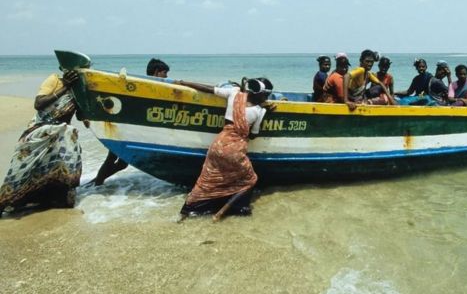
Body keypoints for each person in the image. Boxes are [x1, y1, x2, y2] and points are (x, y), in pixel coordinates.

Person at [177, 77, 273, 219]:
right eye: (266, 95)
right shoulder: (260, 111)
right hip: (235, 151)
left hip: (217, 145)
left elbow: (209, 89)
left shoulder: (234, 93)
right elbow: (253, 136)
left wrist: (184, 83)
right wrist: (266, 111)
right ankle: (229, 211)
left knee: (208, 179)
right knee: (250, 180)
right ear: (261, 95)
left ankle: (189, 209)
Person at [1, 68, 89, 215]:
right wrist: (65, 87)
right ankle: (9, 201)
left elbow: (83, 117)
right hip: (42, 131)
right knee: (22, 168)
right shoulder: (54, 80)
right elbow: (39, 104)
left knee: (65, 167)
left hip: (62, 135)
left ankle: (51, 200)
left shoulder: (80, 90)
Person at [91, 58, 171, 186]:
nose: (166, 76)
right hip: (125, 130)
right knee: (112, 159)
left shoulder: (145, 85)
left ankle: (96, 182)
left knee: (121, 163)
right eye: (164, 73)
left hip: (126, 129)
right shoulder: (148, 86)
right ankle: (97, 183)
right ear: (156, 72)